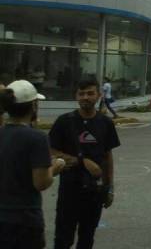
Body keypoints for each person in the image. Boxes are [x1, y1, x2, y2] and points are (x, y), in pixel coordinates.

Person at [49, 77, 121, 249]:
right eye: (81, 94)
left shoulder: (105, 123)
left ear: (98, 95)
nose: (85, 97)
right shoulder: (64, 122)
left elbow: (107, 156)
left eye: (90, 93)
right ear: (76, 96)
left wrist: (110, 187)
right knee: (62, 239)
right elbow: (51, 151)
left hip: (95, 192)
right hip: (69, 191)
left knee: (87, 239)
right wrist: (81, 162)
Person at [0, 80, 65, 249]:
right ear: (34, 105)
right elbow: (41, 182)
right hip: (25, 220)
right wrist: (55, 166)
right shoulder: (37, 138)